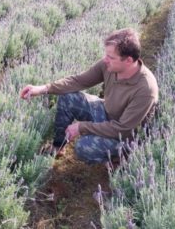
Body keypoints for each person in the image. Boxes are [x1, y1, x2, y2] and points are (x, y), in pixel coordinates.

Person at [19, 28, 158, 164]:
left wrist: (82, 127)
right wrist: (44, 88)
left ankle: (122, 157)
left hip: (125, 135)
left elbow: (123, 129)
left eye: (110, 57)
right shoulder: (109, 66)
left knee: (83, 148)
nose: (105, 60)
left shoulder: (145, 89)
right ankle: (58, 146)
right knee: (68, 98)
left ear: (128, 60)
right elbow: (79, 81)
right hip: (107, 111)